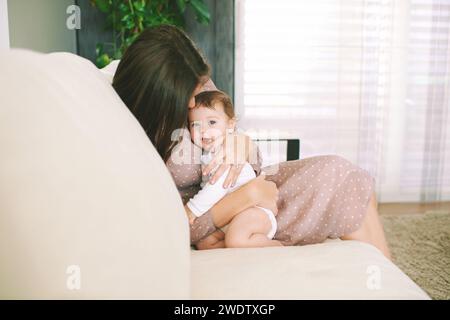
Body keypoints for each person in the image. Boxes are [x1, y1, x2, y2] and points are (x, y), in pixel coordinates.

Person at [112, 24, 391, 259]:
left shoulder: (197, 87)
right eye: (185, 94)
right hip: (225, 218)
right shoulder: (132, 137)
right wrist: (245, 198)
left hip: (253, 185)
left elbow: (252, 157)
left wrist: (240, 145)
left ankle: (385, 280)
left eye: (199, 88)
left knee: (341, 172)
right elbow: (166, 226)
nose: (192, 102)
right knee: (343, 189)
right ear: (158, 93)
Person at [185, 90, 281, 248]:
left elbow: (218, 185)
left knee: (236, 239)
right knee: (204, 243)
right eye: (195, 124)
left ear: (230, 125)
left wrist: (191, 210)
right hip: (230, 215)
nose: (203, 130)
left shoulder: (227, 151)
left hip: (254, 211)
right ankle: (239, 243)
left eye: (212, 122)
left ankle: (278, 246)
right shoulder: (206, 154)